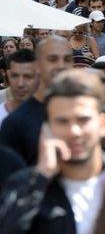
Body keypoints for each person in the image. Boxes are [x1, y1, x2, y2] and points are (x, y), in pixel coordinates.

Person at [0, 70, 105, 234]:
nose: (74, 131)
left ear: (102, 124)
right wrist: (41, 175)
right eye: (62, 121)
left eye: (83, 120)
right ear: (46, 128)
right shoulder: (27, 185)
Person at [0, 36, 73, 164]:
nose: (61, 66)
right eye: (53, 59)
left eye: (67, 59)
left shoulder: (82, 110)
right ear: (37, 66)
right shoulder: (14, 123)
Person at [0, 50, 38, 125]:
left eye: (27, 76)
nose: (20, 83)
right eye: (15, 76)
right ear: (8, 75)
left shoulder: (50, 116)